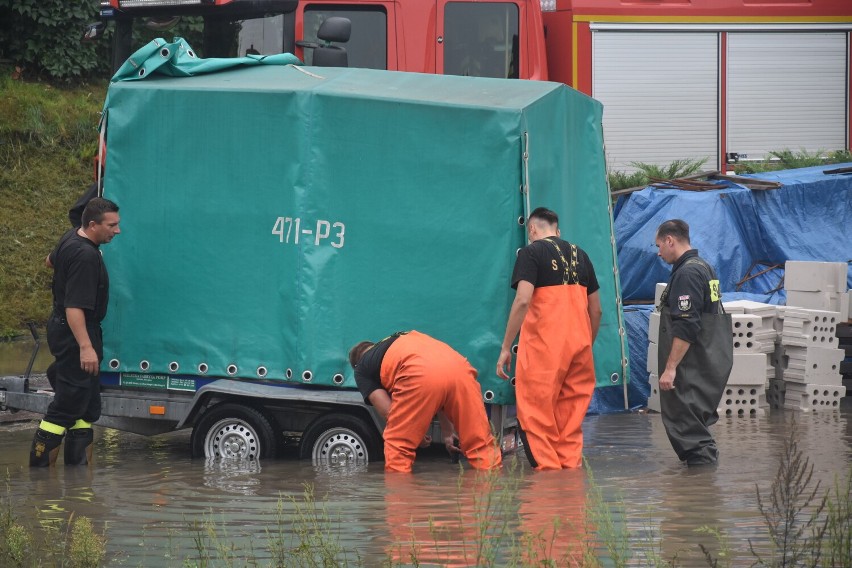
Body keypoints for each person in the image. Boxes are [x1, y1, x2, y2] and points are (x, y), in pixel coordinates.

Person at [497, 207, 601, 470]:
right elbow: (596, 310)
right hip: (580, 349)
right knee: (570, 424)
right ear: (558, 230)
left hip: (545, 351)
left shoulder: (530, 253)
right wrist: (587, 342)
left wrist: (506, 347)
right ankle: (571, 498)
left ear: (531, 229)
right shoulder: (582, 255)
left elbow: (522, 300)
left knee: (536, 421)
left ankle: (548, 503)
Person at [30, 197, 121, 467]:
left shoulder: (72, 238)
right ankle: (40, 480)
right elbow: (74, 308)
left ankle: (78, 482)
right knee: (67, 404)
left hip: (67, 328)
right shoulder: (84, 256)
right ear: (93, 225)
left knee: (87, 403)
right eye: (111, 225)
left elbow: (50, 261)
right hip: (76, 332)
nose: (117, 231)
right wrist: (86, 346)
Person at [348, 331, 502, 473]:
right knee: (480, 443)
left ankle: (400, 500)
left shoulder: (362, 367)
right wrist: (448, 435)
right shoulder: (402, 337)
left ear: (356, 363)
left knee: (398, 446)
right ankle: (495, 495)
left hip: (418, 372)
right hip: (460, 369)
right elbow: (441, 389)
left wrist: (415, 431)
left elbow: (388, 411)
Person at [654, 219, 732, 466]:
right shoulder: (704, 266)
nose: (658, 252)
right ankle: (700, 488)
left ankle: (700, 492)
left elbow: (687, 324)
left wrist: (670, 367)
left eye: (659, 245)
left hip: (691, 363)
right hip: (708, 358)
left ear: (670, 240)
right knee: (695, 424)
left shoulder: (688, 273)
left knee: (689, 429)